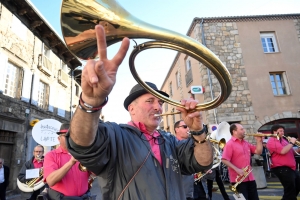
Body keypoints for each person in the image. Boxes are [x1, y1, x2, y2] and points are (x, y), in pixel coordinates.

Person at [66, 24, 214, 200]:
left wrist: (198, 131)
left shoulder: (169, 141)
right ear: (132, 108)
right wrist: (91, 102)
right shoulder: (116, 135)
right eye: (150, 101)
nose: (158, 107)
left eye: (160, 102)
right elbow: (81, 146)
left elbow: (203, 162)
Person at [43, 123, 93, 200]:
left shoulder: (82, 154)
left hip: (84, 197)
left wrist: (93, 161)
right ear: (59, 139)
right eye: (66, 135)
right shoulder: (51, 155)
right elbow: (50, 181)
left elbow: (94, 174)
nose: (70, 138)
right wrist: (71, 163)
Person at [221, 123, 262, 200]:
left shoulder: (245, 143)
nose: (244, 131)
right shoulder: (229, 144)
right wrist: (237, 169)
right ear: (234, 131)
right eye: (242, 129)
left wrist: (259, 141)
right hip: (237, 179)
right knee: (241, 199)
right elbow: (224, 160)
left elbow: (258, 151)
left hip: (250, 178)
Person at [266, 124, 300, 200]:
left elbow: (291, 151)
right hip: (282, 168)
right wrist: (291, 143)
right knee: (290, 189)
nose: (282, 132)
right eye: (280, 131)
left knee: (297, 186)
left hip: (291, 168)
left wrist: (298, 149)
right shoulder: (272, 141)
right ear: (274, 132)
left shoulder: (283, 140)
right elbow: (283, 151)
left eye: (283, 131)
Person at [174, 120, 194, 200]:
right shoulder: (171, 144)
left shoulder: (192, 142)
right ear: (177, 129)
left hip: (194, 187)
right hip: (181, 189)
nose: (188, 129)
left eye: (189, 126)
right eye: (185, 127)